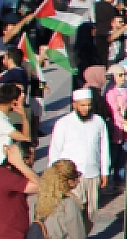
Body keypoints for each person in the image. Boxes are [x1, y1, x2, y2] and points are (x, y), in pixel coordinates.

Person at [47, 88, 111, 224]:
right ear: (74, 104)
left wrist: (104, 171)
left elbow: (104, 147)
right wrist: (54, 175)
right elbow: (55, 150)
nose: (86, 109)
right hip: (71, 176)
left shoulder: (99, 122)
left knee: (91, 212)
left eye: (88, 105)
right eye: (82, 105)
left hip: (92, 174)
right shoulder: (63, 123)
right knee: (73, 211)